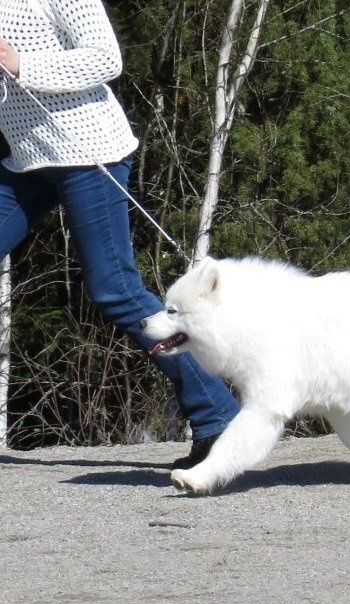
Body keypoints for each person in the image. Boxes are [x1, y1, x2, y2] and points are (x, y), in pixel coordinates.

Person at [0, 0, 239, 467]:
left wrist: (22, 63)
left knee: (115, 289)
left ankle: (217, 416)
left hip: (89, 153)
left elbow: (106, 58)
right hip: (27, 159)